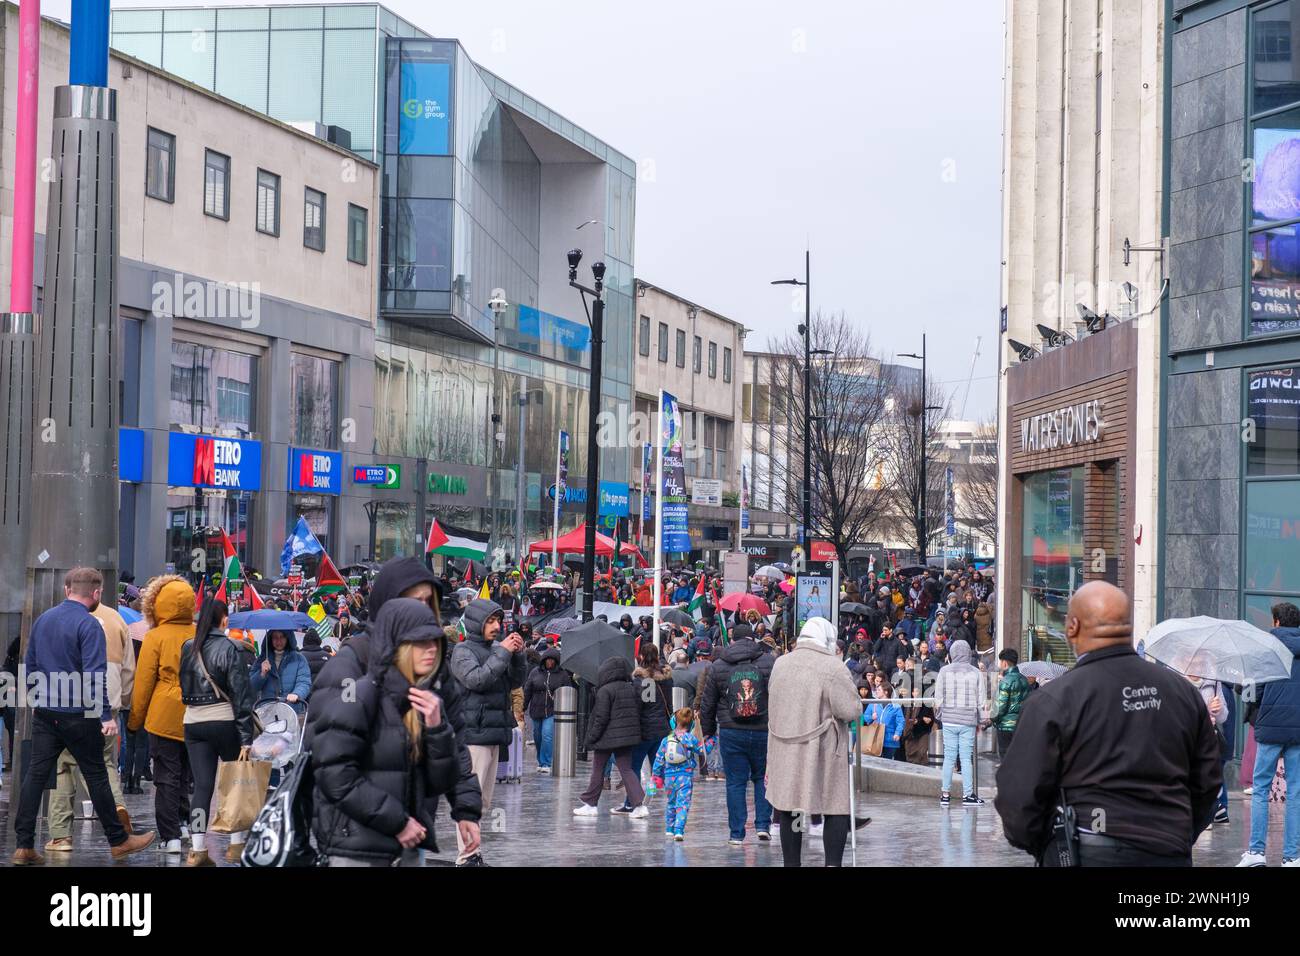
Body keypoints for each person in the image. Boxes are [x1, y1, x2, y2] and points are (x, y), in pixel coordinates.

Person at [996, 582, 1222, 866]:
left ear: (1073, 627)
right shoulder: (1181, 692)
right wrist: (1177, 832)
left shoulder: (1054, 700)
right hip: (1167, 849)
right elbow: (1208, 781)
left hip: (1090, 850)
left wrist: (1046, 845)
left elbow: (1019, 795)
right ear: (1127, 627)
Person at [312, 598, 480, 866]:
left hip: (408, 847)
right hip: (358, 848)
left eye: (435, 642)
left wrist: (438, 730)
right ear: (398, 646)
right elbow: (333, 773)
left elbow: (439, 782)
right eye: (421, 642)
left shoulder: (426, 700)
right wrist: (397, 822)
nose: (431, 651)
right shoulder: (360, 694)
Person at [12, 568, 156, 865]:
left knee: (36, 776)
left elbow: (31, 663)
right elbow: (94, 673)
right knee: (96, 775)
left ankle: (23, 845)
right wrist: (104, 715)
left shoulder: (43, 620)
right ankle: (119, 841)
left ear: (67, 590)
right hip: (79, 714)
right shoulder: (90, 625)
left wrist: (36, 699)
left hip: (46, 712)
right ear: (96, 593)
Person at [766, 617, 864, 867]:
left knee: (792, 807)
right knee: (835, 806)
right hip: (823, 749)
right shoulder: (832, 667)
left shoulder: (781, 663)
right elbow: (850, 710)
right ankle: (832, 863)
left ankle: (792, 863)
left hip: (785, 746)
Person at [43, 594, 137, 854]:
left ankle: (61, 836)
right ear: (97, 592)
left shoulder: (58, 619)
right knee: (103, 761)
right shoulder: (117, 619)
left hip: (67, 704)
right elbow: (129, 669)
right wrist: (121, 702)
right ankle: (118, 806)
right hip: (109, 701)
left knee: (62, 765)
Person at [447, 598, 527, 863]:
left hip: (493, 733)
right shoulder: (462, 651)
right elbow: (476, 680)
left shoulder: (496, 648)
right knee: (470, 798)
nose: (496, 626)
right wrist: (503, 653)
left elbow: (515, 681)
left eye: (498, 621)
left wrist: (519, 655)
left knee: (482, 801)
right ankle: (465, 857)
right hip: (473, 734)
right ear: (476, 623)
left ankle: (474, 853)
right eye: (490, 621)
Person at [179, 598, 257, 866]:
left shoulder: (188, 647)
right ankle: (236, 845)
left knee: (202, 787)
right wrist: (246, 739)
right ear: (222, 618)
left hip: (193, 722)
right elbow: (241, 695)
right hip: (224, 720)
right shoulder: (229, 647)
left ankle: (198, 849)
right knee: (235, 783)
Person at [130, 574, 201, 855]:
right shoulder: (200, 632)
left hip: (163, 716)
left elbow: (144, 682)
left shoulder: (155, 636)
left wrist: (135, 721)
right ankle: (185, 824)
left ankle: (169, 836)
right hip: (197, 712)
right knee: (187, 774)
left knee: (166, 776)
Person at [699, 623, 775, 844]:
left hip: (731, 729)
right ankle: (762, 825)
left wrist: (708, 730)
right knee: (762, 778)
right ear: (753, 639)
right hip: (763, 729)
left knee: (735, 782)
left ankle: (737, 833)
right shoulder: (769, 662)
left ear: (732, 641)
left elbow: (708, 702)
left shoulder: (718, 665)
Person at [1239, 601, 1300, 867]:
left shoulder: (1267, 649)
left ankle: (1256, 852)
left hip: (1270, 729)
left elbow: (1254, 693)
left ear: (1276, 622)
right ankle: (1293, 856)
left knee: (1261, 789)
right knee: (1297, 792)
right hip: (1298, 730)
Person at [573, 657, 648, 817]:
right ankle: (639, 805)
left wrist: (591, 738)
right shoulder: (631, 688)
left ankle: (591, 804)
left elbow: (600, 718)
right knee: (627, 770)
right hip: (627, 737)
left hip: (606, 738)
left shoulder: (605, 691)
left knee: (598, 769)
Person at [622, 643, 674, 812]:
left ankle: (632, 802)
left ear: (641, 657)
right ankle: (671, 800)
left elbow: (643, 705)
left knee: (633, 766)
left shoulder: (643, 680)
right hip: (662, 729)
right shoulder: (667, 678)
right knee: (658, 769)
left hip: (645, 730)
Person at [935, 639, 987, 807]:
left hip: (949, 720)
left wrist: (940, 714)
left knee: (949, 758)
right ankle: (968, 795)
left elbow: (938, 697)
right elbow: (981, 700)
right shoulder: (976, 673)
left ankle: (945, 795)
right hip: (967, 721)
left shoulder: (944, 671)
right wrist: (981, 720)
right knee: (966, 759)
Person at [521, 645, 574, 774]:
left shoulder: (562, 674)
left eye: (552, 660)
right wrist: (523, 707)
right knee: (537, 736)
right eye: (547, 660)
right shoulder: (535, 672)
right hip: (536, 709)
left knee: (547, 735)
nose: (549, 662)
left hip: (552, 710)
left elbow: (568, 690)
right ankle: (540, 760)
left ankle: (546, 762)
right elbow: (527, 690)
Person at [652, 707, 702, 840]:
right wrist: (712, 740)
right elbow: (703, 750)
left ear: (673, 722)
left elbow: (658, 760)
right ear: (691, 724)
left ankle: (669, 829)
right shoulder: (690, 738)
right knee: (683, 804)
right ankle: (679, 830)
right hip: (685, 778)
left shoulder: (666, 740)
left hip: (669, 778)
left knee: (671, 803)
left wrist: (656, 776)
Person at [250, 630, 312, 714]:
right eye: (275, 637)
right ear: (270, 639)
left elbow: (304, 682)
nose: (279, 641)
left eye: (282, 637)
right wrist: (262, 674)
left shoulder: (299, 659)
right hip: (267, 712)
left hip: (291, 711)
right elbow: (251, 686)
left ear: (288, 638)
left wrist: (297, 694)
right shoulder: (261, 660)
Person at [990, 648, 1030, 756]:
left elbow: (1000, 706)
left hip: (1006, 726)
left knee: (1006, 758)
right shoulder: (1024, 680)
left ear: (1004, 662)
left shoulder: (1006, 681)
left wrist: (992, 718)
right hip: (1021, 724)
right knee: (1018, 758)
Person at [863, 681, 905, 760]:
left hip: (890, 740)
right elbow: (865, 716)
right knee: (875, 762)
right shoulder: (873, 703)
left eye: (879, 690)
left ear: (886, 692)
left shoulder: (895, 706)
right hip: (875, 739)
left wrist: (898, 733)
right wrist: (871, 717)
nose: (876, 692)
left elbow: (900, 721)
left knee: (888, 763)